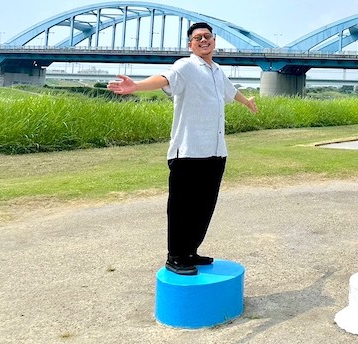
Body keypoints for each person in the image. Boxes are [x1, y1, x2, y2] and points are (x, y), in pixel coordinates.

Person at [108, 21, 258, 275]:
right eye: (198, 38)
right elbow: (165, 78)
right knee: (182, 208)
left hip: (216, 151)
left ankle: (190, 251)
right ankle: (175, 256)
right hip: (188, 152)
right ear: (190, 44)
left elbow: (231, 92)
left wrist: (248, 102)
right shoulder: (186, 66)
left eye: (207, 36)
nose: (203, 40)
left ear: (214, 41)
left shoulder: (217, 71)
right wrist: (137, 87)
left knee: (204, 207)